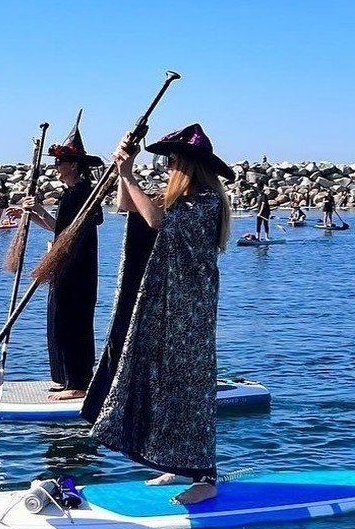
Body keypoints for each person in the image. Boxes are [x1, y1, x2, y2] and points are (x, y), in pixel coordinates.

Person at [88, 123, 233, 505]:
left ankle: (205, 475)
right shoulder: (178, 202)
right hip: (164, 306)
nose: (167, 168)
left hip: (190, 313)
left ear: (188, 166)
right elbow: (126, 205)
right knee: (163, 382)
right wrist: (126, 166)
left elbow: (157, 221)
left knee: (189, 387)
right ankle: (175, 461)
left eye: (171, 162)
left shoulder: (207, 204)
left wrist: (128, 174)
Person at [23, 112, 104, 401]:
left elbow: (89, 222)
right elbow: (60, 230)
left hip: (77, 268)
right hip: (65, 266)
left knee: (74, 319)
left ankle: (79, 382)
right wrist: (34, 214)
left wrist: (39, 212)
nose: (56, 168)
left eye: (60, 163)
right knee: (58, 317)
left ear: (73, 165)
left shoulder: (83, 193)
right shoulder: (70, 194)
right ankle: (64, 377)